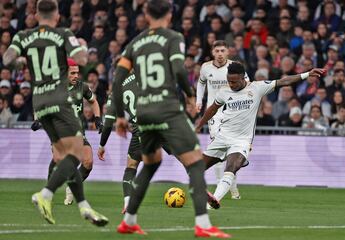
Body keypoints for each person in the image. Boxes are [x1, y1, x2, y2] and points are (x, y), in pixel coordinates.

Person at [112, 0, 230, 238]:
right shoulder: (173, 37)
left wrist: (119, 116)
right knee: (196, 162)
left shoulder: (135, 43)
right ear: (169, 15)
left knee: (151, 162)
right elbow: (178, 68)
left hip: (143, 113)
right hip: (166, 107)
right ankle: (203, 225)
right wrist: (189, 95)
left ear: (145, 14)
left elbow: (117, 78)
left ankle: (129, 221)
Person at [3, 0, 107, 226]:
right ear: (57, 15)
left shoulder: (23, 35)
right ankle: (46, 194)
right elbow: (80, 59)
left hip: (39, 103)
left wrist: (25, 61)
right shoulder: (62, 33)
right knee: (76, 153)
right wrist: (78, 45)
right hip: (60, 99)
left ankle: (83, 205)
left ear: (36, 14)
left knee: (62, 156)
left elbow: (7, 59)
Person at [195, 61, 325, 209]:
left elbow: (284, 81)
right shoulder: (224, 91)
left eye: (234, 81)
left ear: (243, 78)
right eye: (229, 81)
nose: (231, 84)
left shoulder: (257, 87)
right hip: (222, 137)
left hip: (241, 140)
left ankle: (213, 202)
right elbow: (212, 109)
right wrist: (199, 125)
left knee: (231, 167)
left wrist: (307, 74)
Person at [31, 58, 103, 205]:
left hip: (77, 131)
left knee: (88, 162)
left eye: (77, 73)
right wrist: (37, 118)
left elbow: (93, 101)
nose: (76, 76)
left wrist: (97, 118)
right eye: (73, 73)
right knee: (59, 159)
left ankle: (71, 188)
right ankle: (47, 192)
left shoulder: (82, 87)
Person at [196, 40, 244, 200]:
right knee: (217, 147)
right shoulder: (205, 68)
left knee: (230, 151)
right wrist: (198, 101)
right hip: (214, 113)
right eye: (217, 51)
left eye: (223, 50)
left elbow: (248, 84)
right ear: (212, 52)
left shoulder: (235, 68)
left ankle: (233, 186)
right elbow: (201, 83)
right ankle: (220, 184)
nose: (220, 54)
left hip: (233, 111)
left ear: (228, 52)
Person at [97, 73, 142, 214]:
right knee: (182, 154)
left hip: (141, 129)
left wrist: (102, 145)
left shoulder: (116, 91)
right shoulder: (142, 74)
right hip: (161, 122)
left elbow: (109, 123)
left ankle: (128, 203)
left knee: (131, 166)